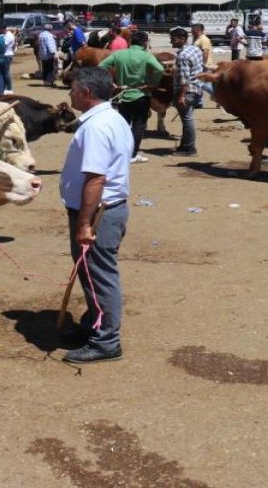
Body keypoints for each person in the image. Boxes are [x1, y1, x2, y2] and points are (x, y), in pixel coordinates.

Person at [58, 67, 132, 364]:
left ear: (86, 93)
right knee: (90, 273)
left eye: (73, 89)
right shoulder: (111, 118)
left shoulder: (96, 127)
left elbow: (96, 179)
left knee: (100, 275)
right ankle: (95, 325)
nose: (70, 94)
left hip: (98, 213)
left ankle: (107, 342)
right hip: (104, 209)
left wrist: (85, 223)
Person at [99, 31, 163, 164]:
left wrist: (112, 83)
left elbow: (101, 66)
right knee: (138, 126)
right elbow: (159, 69)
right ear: (145, 43)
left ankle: (119, 153)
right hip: (140, 94)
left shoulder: (119, 54)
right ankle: (132, 154)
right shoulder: (146, 56)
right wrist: (153, 84)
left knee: (123, 125)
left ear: (130, 42)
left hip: (122, 95)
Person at [170, 27, 203, 156]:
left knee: (187, 119)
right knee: (187, 118)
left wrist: (181, 96)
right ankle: (184, 146)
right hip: (196, 88)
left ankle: (189, 148)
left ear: (182, 39)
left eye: (173, 39)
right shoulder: (195, 49)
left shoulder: (182, 55)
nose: (171, 42)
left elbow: (184, 79)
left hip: (187, 91)